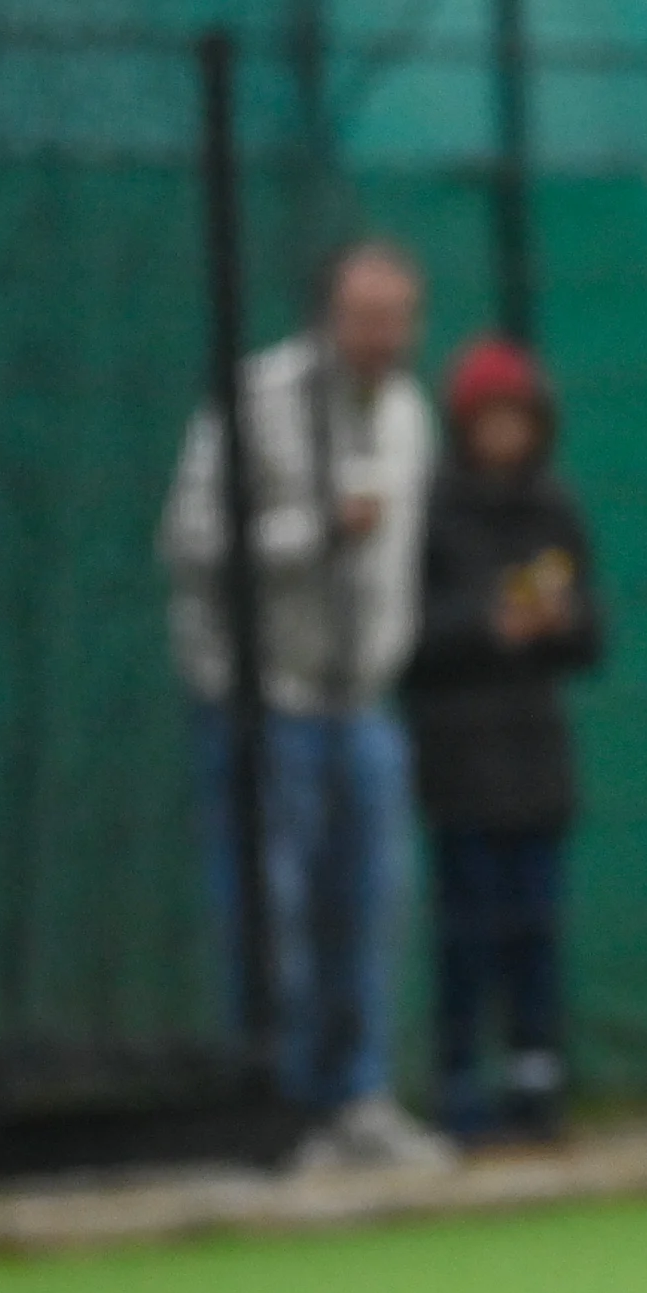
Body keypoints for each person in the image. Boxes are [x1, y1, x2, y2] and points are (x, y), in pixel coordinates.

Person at [159, 238, 448, 1171]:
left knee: (369, 905)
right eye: (365, 317)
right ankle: (276, 1111)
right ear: (327, 314)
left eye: (397, 318)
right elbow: (190, 538)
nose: (381, 337)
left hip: (363, 705)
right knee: (266, 912)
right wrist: (316, 530)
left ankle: (357, 1097)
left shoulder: (409, 413)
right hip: (260, 702)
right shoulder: (258, 399)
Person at [402, 337, 602, 1148]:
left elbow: (593, 634)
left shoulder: (555, 508)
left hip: (536, 762)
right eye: (489, 418)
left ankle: (537, 1083)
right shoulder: (432, 509)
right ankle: (459, 1089)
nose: (504, 434)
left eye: (517, 418)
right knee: (468, 933)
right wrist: (489, 627)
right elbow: (408, 638)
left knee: (535, 930)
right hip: (458, 760)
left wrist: (556, 623)